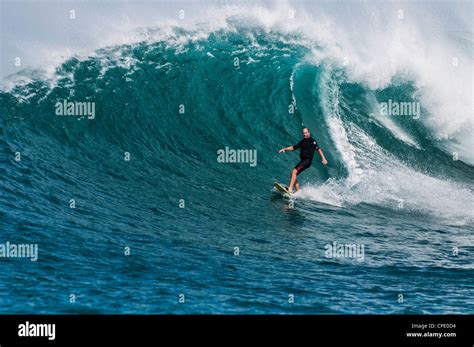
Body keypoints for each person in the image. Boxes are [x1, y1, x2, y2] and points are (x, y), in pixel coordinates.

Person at [278, 127, 328, 193]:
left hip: (307, 161)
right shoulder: (302, 141)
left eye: (305, 133)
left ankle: (290, 188)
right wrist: (284, 149)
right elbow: (294, 147)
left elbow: (318, 149)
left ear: (308, 133)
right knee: (293, 174)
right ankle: (298, 192)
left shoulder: (312, 141)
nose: (304, 134)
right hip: (303, 161)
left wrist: (323, 158)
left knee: (294, 172)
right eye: (303, 133)